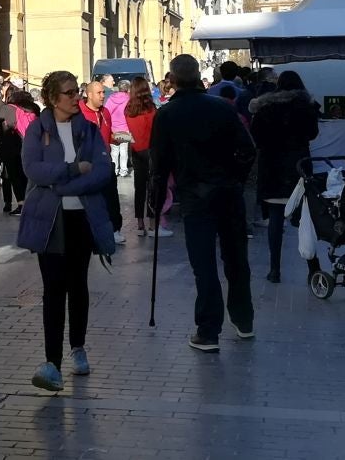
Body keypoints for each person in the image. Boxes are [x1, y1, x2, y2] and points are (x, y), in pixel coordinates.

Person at [150, 54, 256, 353]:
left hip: (195, 197)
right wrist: (235, 177)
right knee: (236, 258)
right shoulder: (222, 107)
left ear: (172, 80)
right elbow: (248, 150)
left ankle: (209, 331)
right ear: (198, 76)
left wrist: (156, 202)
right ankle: (244, 319)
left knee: (204, 264)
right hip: (228, 193)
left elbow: (159, 165)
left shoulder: (167, 114)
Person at [18, 70, 116, 391]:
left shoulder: (88, 129)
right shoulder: (37, 130)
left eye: (77, 91)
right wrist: (72, 170)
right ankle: (52, 364)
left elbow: (102, 170)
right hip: (50, 220)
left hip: (81, 219)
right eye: (70, 93)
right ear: (52, 98)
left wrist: (62, 184)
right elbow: (33, 169)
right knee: (53, 290)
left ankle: (78, 346)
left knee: (78, 285)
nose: (77, 97)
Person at [249, 71, 320, 283]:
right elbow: (312, 134)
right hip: (299, 167)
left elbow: (256, 136)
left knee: (275, 218)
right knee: (306, 218)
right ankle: (313, 268)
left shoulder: (265, 107)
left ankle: (274, 270)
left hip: (272, 167)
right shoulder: (306, 106)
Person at [78, 79, 124, 245]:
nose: (103, 96)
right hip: (88, 164)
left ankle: (115, 229)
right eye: (99, 93)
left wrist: (117, 138)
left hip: (105, 162)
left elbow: (108, 133)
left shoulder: (106, 112)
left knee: (111, 197)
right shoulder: (80, 114)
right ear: (89, 95)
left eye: (103, 92)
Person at [125, 76, 165, 238]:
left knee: (139, 187)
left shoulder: (129, 109)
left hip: (135, 150)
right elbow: (155, 130)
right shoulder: (151, 109)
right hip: (150, 150)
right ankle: (152, 223)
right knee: (152, 188)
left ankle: (140, 224)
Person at [0, 87, 40, 216]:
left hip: (12, 146)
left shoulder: (11, 109)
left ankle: (21, 204)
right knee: (26, 176)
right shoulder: (35, 109)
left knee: (14, 177)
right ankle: (31, 202)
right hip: (30, 145)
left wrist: (2, 98)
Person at [106, 81, 133, 177]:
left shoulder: (111, 98)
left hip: (113, 128)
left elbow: (106, 112)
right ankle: (123, 170)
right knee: (124, 151)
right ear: (128, 88)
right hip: (125, 128)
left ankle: (114, 170)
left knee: (114, 151)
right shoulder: (129, 99)